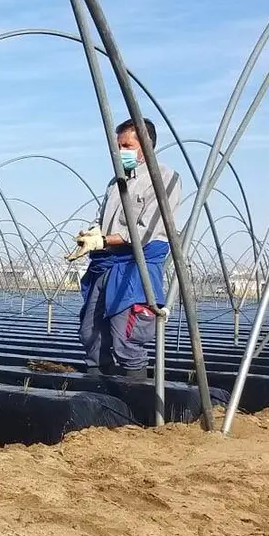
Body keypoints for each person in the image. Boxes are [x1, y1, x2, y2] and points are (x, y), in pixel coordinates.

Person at [67, 118, 180, 380]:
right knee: (91, 333)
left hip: (134, 269)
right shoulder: (116, 181)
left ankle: (133, 399)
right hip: (106, 264)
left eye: (127, 145)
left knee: (127, 337)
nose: (121, 152)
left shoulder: (165, 179)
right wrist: (92, 234)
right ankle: (99, 389)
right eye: (118, 147)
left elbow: (146, 231)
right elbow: (102, 219)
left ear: (146, 145)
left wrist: (105, 241)